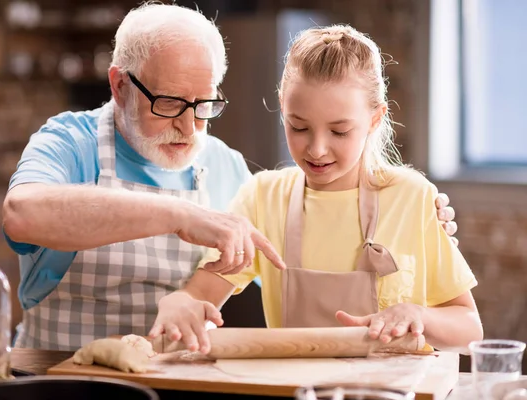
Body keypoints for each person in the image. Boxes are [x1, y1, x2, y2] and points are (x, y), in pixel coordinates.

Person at [2, 3, 460, 351]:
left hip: (168, 381)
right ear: (119, 84)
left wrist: (417, 217)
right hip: (57, 371)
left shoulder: (225, 168)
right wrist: (179, 216)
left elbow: (300, 256)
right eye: (168, 104)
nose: (187, 126)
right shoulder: (71, 142)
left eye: (203, 105)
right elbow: (22, 215)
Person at [150, 24, 482, 356]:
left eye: (339, 131)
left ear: (375, 118)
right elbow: (200, 295)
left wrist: (418, 315)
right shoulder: (263, 198)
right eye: (299, 127)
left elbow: (469, 331)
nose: (317, 149)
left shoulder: (411, 197)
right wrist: (181, 303)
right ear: (282, 106)